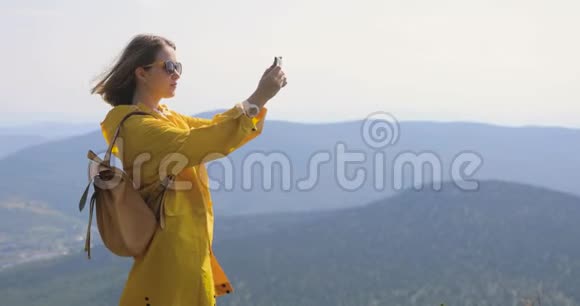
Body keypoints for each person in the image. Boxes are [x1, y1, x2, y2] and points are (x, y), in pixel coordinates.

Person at [90, 33, 287, 306]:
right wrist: (258, 97)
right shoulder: (137, 128)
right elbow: (204, 143)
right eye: (169, 67)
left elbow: (214, 129)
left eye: (178, 67)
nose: (177, 74)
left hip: (187, 251)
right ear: (142, 73)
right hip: (171, 255)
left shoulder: (165, 117)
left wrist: (258, 101)